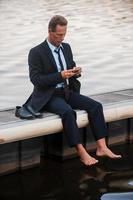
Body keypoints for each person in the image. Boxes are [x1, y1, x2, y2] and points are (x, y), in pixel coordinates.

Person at [16, 15, 121, 166]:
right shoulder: (36, 52)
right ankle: (81, 152)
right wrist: (60, 76)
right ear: (49, 31)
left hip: (66, 91)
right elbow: (36, 80)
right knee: (68, 112)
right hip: (48, 96)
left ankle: (102, 147)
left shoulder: (67, 47)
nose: (62, 38)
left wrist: (76, 71)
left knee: (96, 106)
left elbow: (70, 66)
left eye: (64, 34)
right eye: (59, 35)